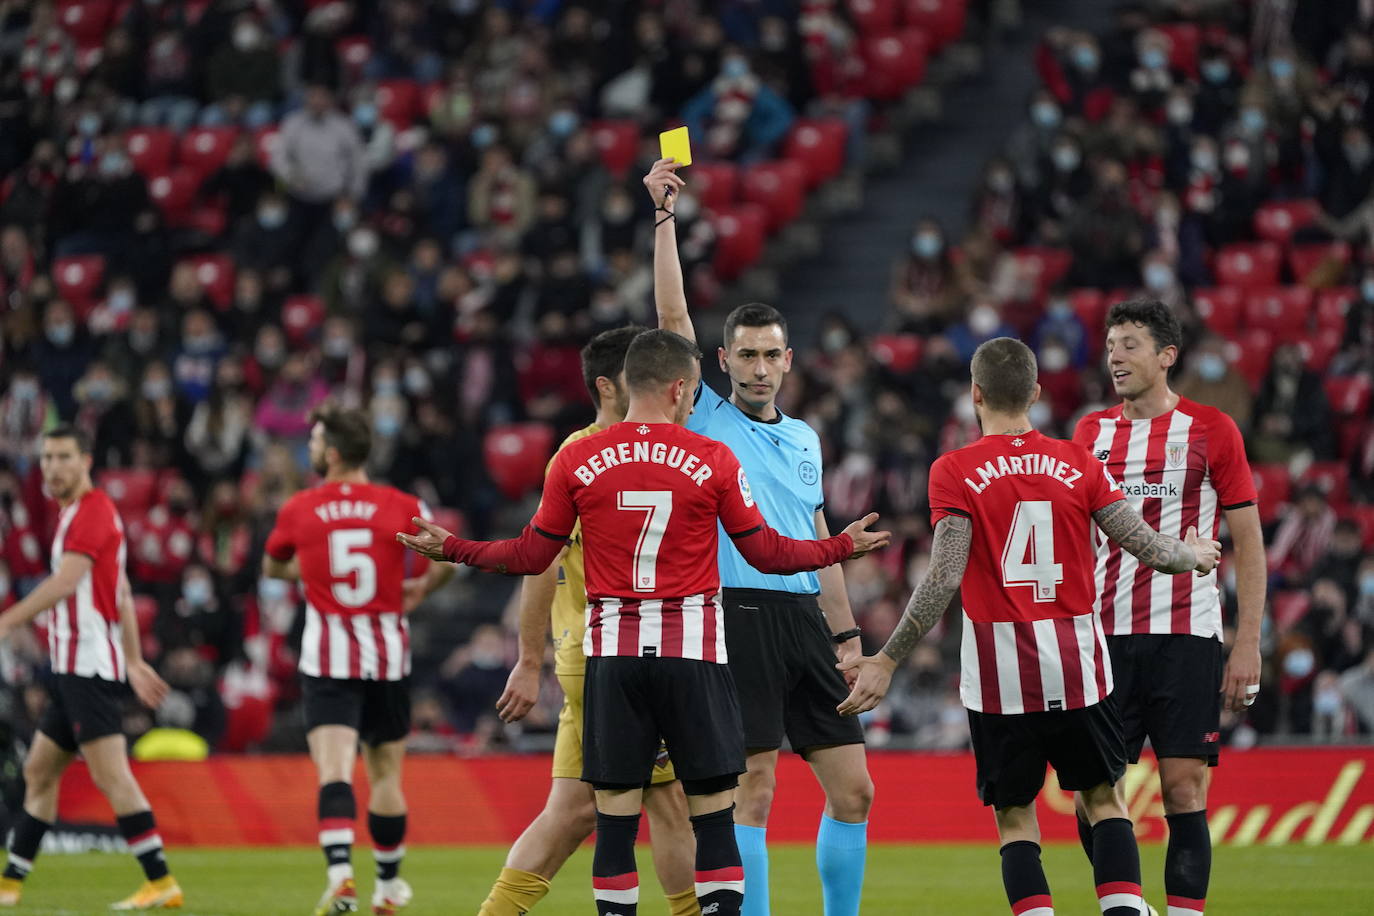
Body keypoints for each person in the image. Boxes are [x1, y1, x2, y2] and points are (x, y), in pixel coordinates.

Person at [398, 328, 890, 916]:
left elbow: (531, 557)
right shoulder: (712, 458)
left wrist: (454, 547)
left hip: (613, 660)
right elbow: (767, 554)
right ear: (681, 388)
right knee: (709, 817)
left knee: (613, 825)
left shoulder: (577, 458)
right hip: (695, 659)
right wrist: (837, 547)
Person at [838, 338, 1221, 916]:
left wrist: (886, 659)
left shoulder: (955, 470)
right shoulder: (1079, 463)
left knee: (1016, 817)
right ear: (1036, 395)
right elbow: (1144, 545)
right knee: (1103, 800)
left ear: (975, 394)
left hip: (999, 675)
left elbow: (943, 576)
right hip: (1078, 667)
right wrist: (1192, 554)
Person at [645, 156, 874, 916]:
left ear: (788, 359)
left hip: (805, 619)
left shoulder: (807, 439)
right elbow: (673, 320)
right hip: (737, 615)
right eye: (745, 354)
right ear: (722, 362)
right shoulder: (708, 417)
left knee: (855, 791)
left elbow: (815, 532)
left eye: (772, 353)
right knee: (757, 789)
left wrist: (846, 633)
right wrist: (665, 220)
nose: (761, 367)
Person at [477, 326, 700, 916]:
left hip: (587, 657)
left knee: (572, 811)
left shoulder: (583, 454)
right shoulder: (597, 457)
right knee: (671, 801)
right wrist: (526, 662)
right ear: (608, 386)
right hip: (624, 654)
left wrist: (533, 661)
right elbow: (537, 562)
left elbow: (537, 559)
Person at [1073, 299, 1266, 916]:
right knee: (1093, 794)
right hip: (1104, 637)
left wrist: (1247, 642)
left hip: (1187, 632)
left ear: (1166, 356)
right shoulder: (1090, 433)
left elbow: (1249, 543)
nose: (1116, 357)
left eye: (1130, 344)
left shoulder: (1213, 429)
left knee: (1185, 787)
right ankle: (1132, 905)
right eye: (1110, 345)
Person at [262, 405, 453, 916]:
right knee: (387, 778)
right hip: (387, 657)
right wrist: (419, 588)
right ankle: (388, 887)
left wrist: (314, 572)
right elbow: (448, 555)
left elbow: (271, 566)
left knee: (334, 771)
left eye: (319, 439)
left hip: (328, 659)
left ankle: (341, 876)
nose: (314, 447)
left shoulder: (300, 508)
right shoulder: (403, 505)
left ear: (336, 452)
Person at [0, 426, 183, 910]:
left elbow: (66, 583)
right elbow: (120, 594)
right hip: (71, 670)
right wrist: (136, 659)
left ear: (85, 460)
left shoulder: (93, 512)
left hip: (86, 669)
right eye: (45, 458)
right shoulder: (79, 515)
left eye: (63, 457)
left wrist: (6, 621)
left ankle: (161, 883)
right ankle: (10, 885)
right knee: (39, 772)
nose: (52, 467)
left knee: (112, 778)